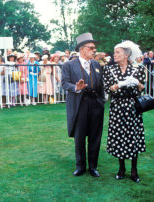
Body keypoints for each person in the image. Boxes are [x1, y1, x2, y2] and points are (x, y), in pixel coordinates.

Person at [62, 33, 105, 177]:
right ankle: (80, 166)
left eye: (95, 48)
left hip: (96, 104)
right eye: (91, 48)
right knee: (79, 136)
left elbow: (101, 85)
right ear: (82, 49)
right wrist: (76, 87)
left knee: (95, 136)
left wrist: (101, 101)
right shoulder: (69, 65)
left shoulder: (96, 64)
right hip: (79, 104)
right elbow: (64, 83)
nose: (94, 50)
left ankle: (93, 167)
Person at [103, 41, 146, 183]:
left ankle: (134, 170)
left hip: (132, 107)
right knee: (119, 136)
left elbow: (142, 89)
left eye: (117, 52)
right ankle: (121, 168)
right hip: (117, 106)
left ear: (126, 55)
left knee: (133, 137)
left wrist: (137, 84)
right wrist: (118, 85)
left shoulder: (138, 69)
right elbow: (107, 89)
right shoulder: (110, 70)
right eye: (114, 52)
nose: (114, 55)